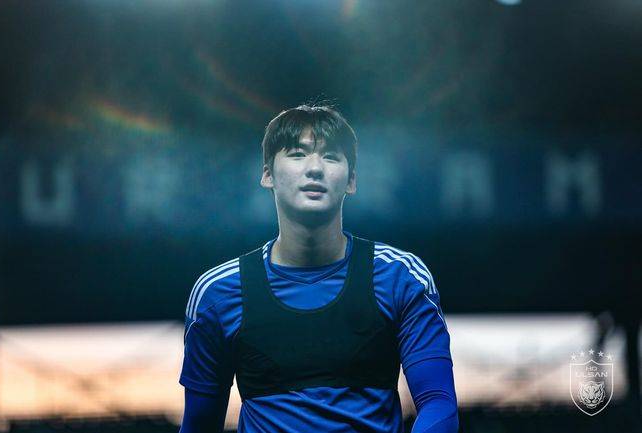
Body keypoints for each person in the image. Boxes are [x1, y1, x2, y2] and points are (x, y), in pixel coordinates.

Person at [179, 104, 458, 433]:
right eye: (297, 154)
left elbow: (439, 402)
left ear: (351, 180)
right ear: (267, 174)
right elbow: (198, 425)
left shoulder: (401, 277)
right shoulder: (217, 293)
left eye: (331, 156)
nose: (314, 168)